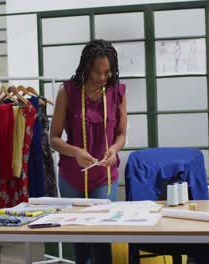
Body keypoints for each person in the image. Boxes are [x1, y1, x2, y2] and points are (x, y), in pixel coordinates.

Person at [50, 39, 127, 264]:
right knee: (79, 239)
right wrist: (75, 152)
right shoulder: (67, 92)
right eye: (97, 71)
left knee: (102, 236)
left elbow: (121, 134)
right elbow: (53, 139)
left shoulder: (117, 92)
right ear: (86, 67)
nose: (102, 77)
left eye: (107, 71)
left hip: (104, 175)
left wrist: (114, 149)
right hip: (72, 177)